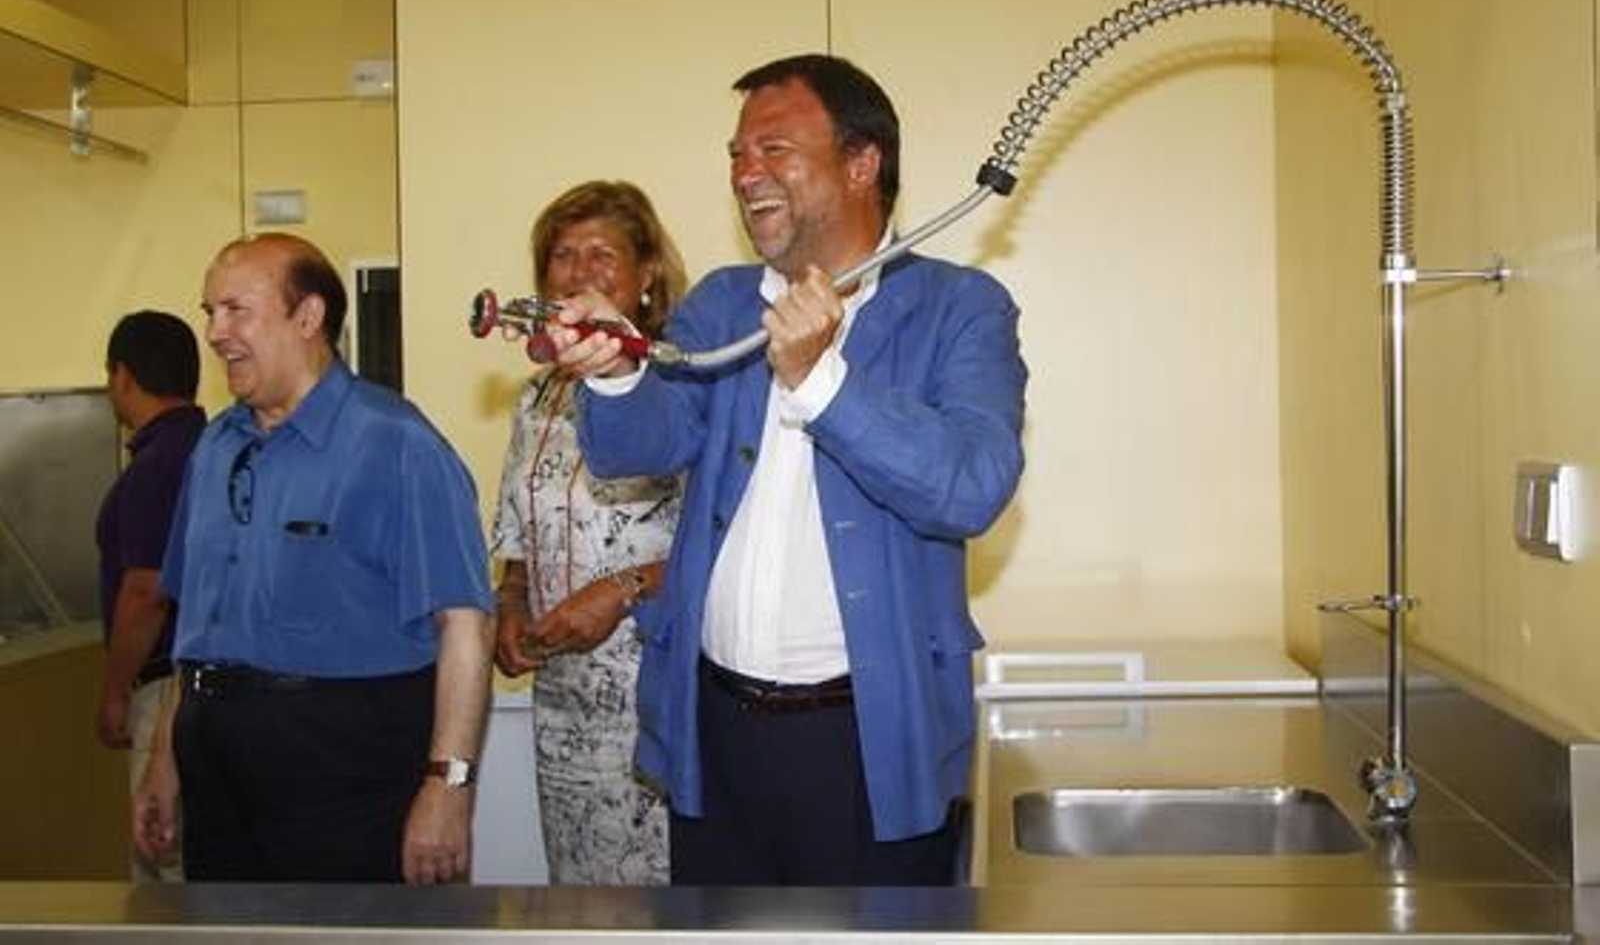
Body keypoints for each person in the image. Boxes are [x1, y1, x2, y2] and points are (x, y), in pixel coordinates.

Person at [548, 54, 1028, 885]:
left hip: (870, 744)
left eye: (774, 149)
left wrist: (822, 381)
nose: (745, 174)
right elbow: (639, 447)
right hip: (715, 734)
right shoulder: (724, 304)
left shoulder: (961, 309)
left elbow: (971, 486)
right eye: (737, 154)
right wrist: (616, 369)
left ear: (862, 163)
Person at [131, 232, 494, 885]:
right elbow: (197, 624)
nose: (214, 333)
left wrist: (449, 784)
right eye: (210, 311)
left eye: (236, 310)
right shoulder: (215, 447)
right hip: (215, 762)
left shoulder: (397, 444)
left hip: (345, 764)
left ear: (308, 316)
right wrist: (166, 757)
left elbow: (466, 625)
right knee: (226, 929)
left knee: (348, 928)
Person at [490, 180, 687, 885]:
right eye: (563, 255)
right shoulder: (539, 397)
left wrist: (621, 590)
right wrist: (511, 604)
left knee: (659, 915)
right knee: (579, 911)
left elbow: (728, 545)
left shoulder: (682, 383)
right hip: (562, 710)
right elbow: (518, 536)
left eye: (602, 254)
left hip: (658, 702)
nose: (578, 272)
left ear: (647, 273)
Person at [95, 310, 205, 882]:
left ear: (123, 375)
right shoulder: (214, 447)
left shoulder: (156, 466)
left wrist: (115, 691)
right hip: (211, 688)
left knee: (161, 863)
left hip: (165, 684)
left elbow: (146, 592)